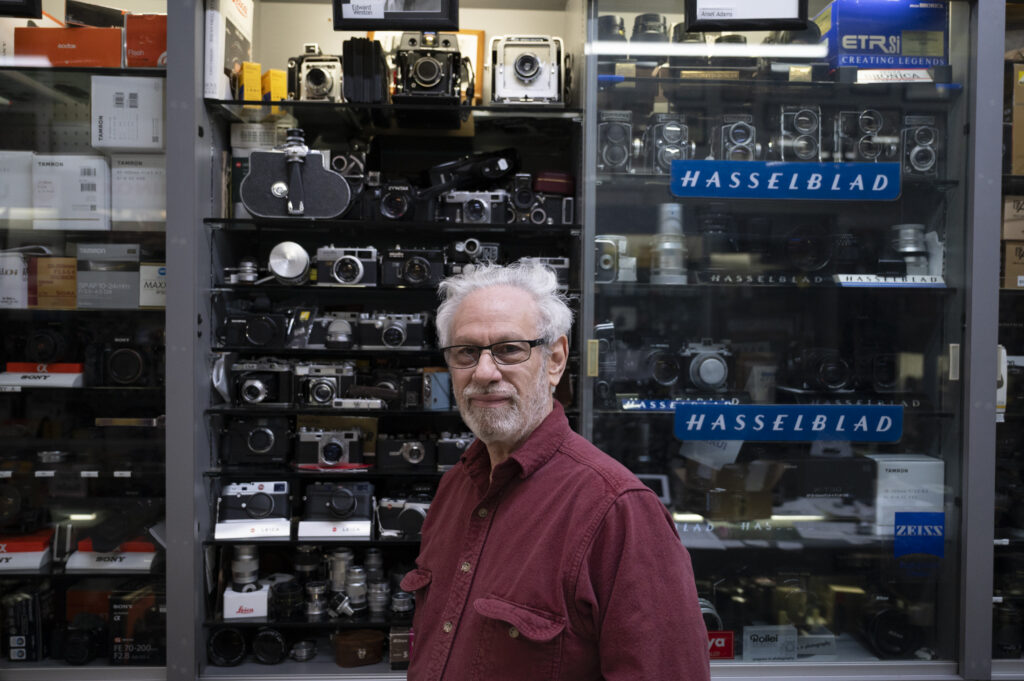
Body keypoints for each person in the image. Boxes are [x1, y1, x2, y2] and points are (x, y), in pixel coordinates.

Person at [400, 260, 711, 680]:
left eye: (510, 349)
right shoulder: (456, 486)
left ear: (555, 360)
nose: (484, 372)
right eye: (466, 352)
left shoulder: (618, 512)